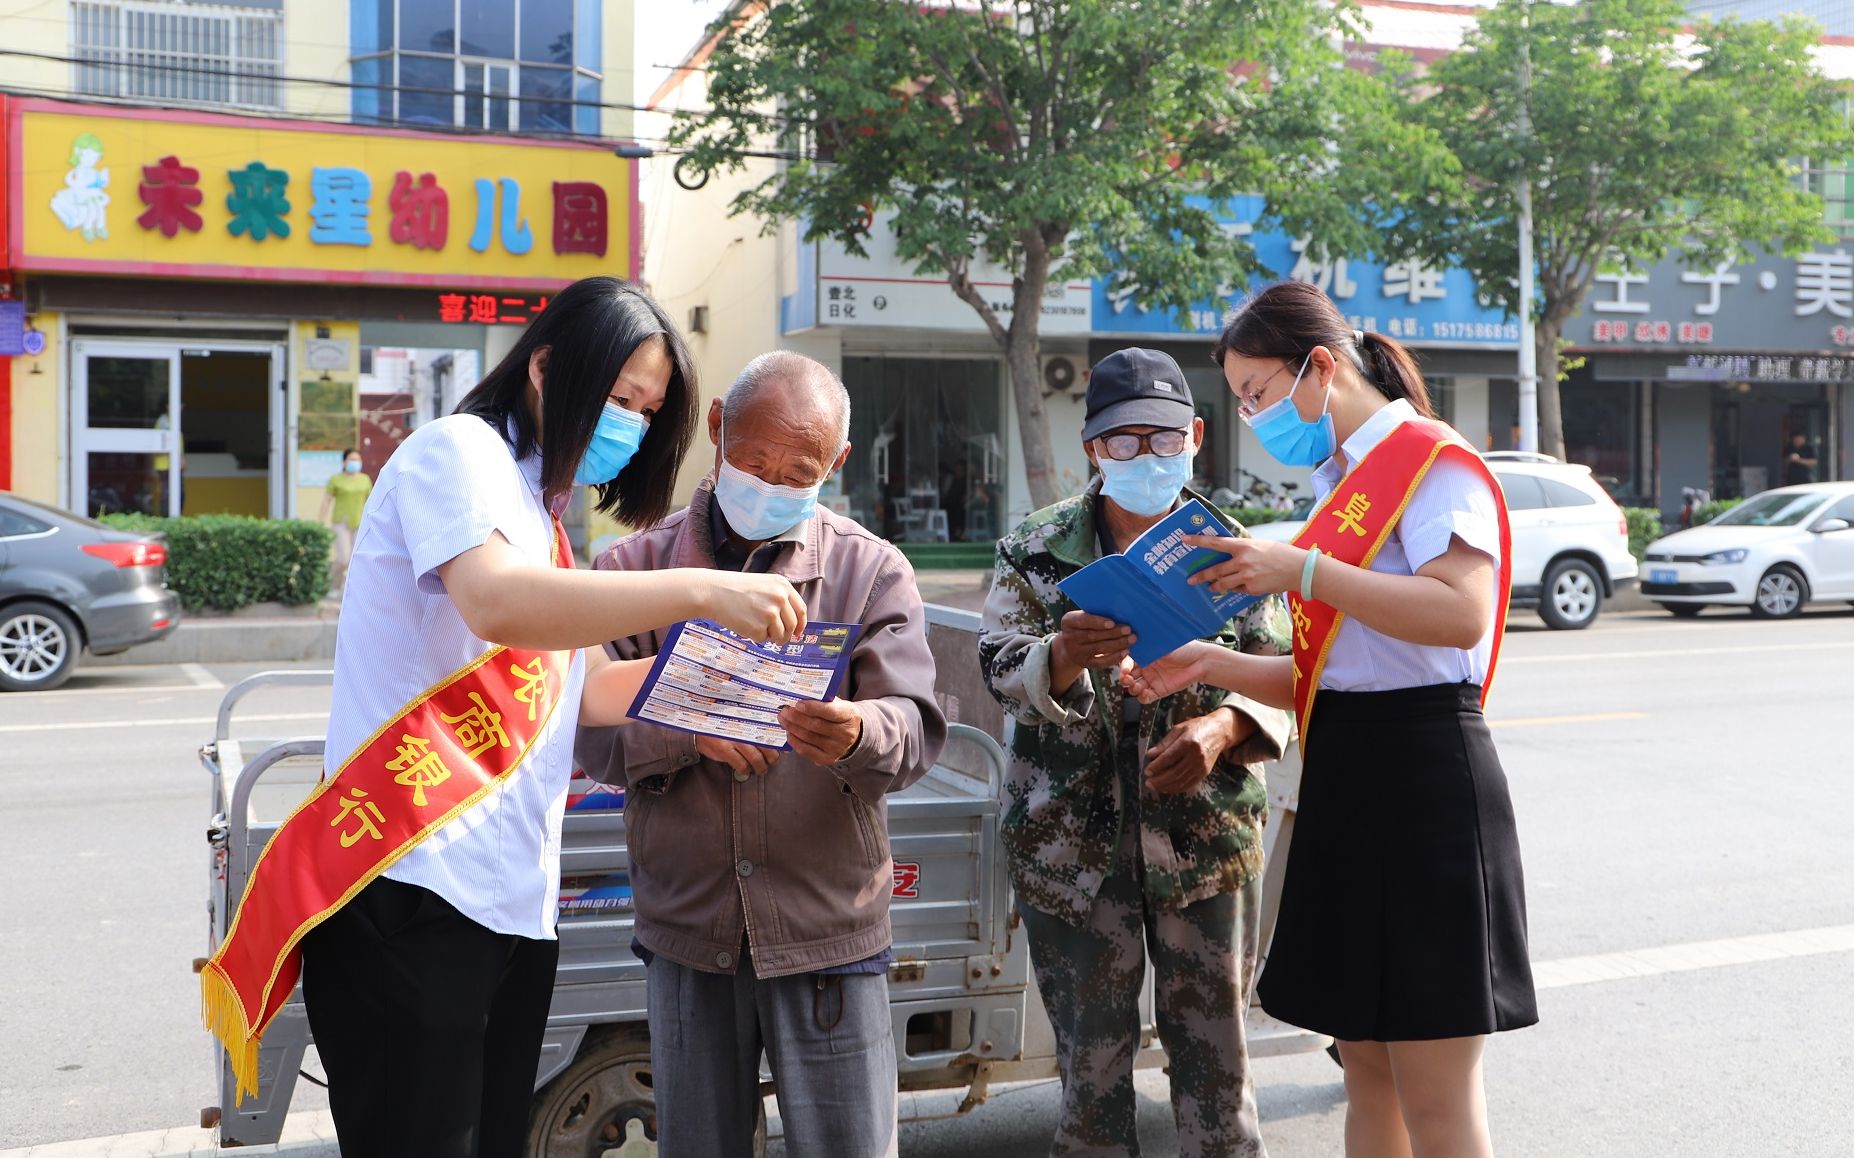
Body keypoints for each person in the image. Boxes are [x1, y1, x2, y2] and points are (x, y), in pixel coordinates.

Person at [199, 278, 808, 1158]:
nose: (632, 425)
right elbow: (495, 602)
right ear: (546, 368)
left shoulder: (540, 517)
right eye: (620, 398)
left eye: (647, 411)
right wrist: (702, 591)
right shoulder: (458, 453)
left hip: (509, 903)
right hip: (412, 889)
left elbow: (589, 689)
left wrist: (729, 694)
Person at [1121, 281, 1537, 1158]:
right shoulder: (1340, 483)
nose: (1254, 416)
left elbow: (1460, 614)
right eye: (1242, 401)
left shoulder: (1433, 463)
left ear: (1319, 367)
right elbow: (1335, 675)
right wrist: (1208, 664)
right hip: (1348, 772)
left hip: (1424, 781)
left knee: (1435, 1090)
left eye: (1257, 393)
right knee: (1367, 1071)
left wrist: (1301, 571)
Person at [575, 351, 947, 1158]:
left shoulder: (869, 571)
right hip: (688, 926)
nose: (771, 483)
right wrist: (684, 729)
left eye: (797, 472)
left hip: (827, 929)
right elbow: (587, 736)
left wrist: (856, 733)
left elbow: (915, 727)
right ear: (717, 428)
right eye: (753, 461)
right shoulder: (631, 571)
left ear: (837, 464)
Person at [978, 347, 1293, 1158]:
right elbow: (997, 667)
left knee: (1219, 1086)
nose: (1146, 456)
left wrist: (1223, 730)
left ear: (1195, 437)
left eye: (1163, 439)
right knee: (1090, 1086)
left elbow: (1283, 677)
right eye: (1124, 441)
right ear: (1093, 448)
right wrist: (1060, 656)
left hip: (1203, 848)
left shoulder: (1235, 553)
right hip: (1070, 853)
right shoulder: (1036, 548)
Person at [319, 448, 372, 598]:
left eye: (358, 460)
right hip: (341, 523)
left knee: (356, 559)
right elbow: (326, 501)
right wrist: (320, 521)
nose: (355, 462)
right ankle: (334, 586)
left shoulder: (365, 479)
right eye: (352, 459)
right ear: (344, 462)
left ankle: (350, 590)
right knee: (343, 558)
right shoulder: (336, 479)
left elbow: (371, 502)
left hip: (360, 523)